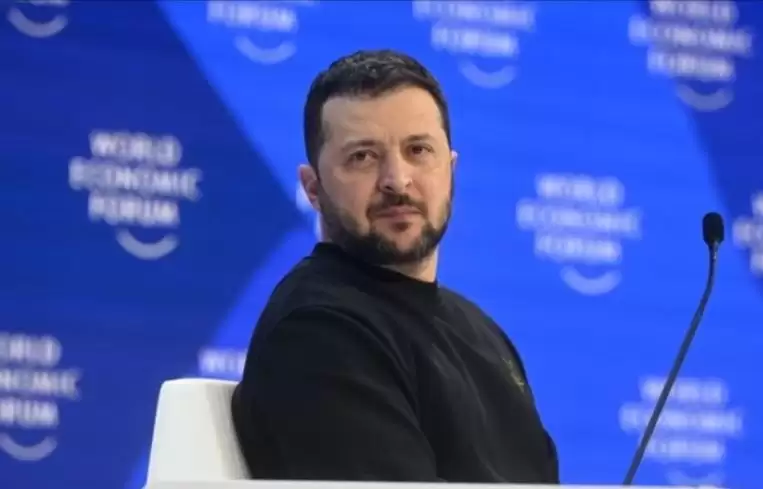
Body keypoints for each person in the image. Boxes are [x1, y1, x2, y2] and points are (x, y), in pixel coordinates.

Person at [231, 49, 559, 483]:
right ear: (313, 188)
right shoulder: (317, 331)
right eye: (362, 157)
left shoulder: (482, 332)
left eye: (418, 150)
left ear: (450, 170)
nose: (397, 180)